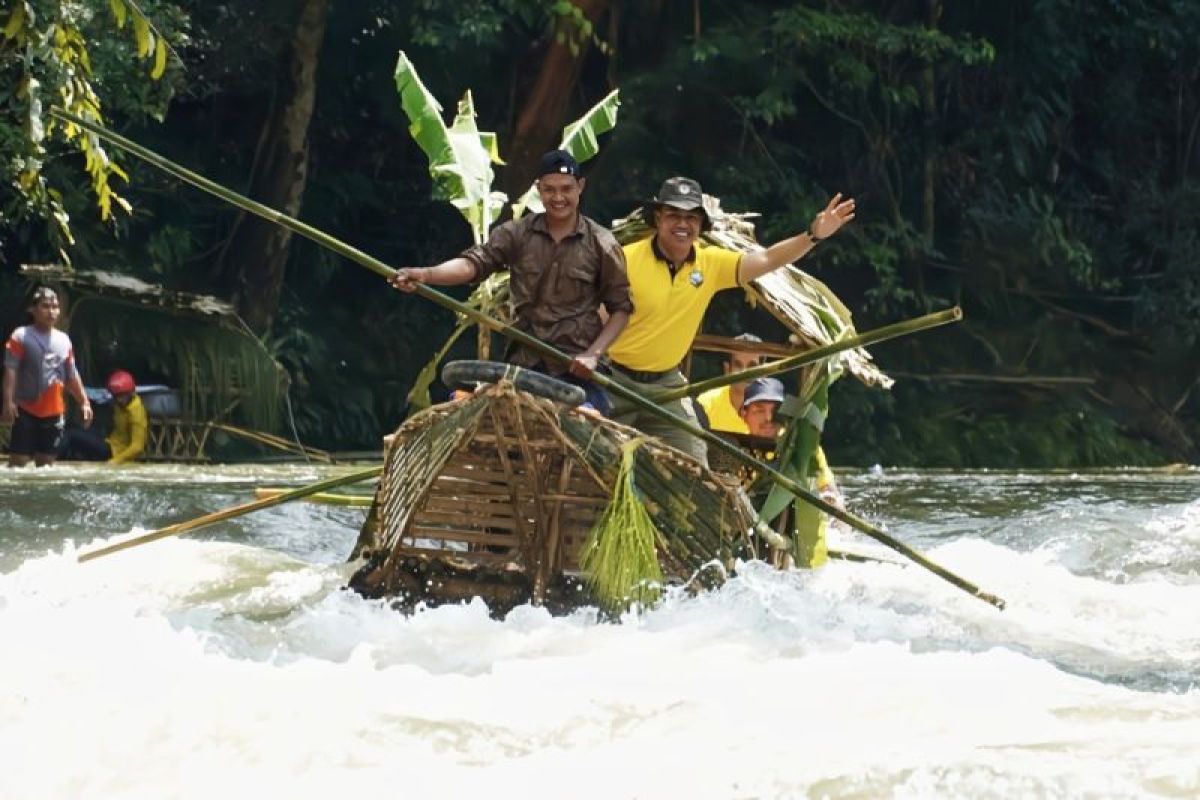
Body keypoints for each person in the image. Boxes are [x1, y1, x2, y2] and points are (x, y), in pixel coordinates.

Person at [604, 176, 855, 463]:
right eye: (673, 215)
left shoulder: (710, 264)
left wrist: (814, 235)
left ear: (700, 225)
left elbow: (769, 260)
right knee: (592, 449)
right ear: (658, 218)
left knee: (694, 460)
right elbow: (595, 317)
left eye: (690, 217)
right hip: (615, 379)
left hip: (666, 385)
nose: (682, 224)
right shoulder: (624, 259)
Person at [389, 149, 632, 414]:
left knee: (584, 416)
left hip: (574, 371)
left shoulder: (602, 244)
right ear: (538, 189)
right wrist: (427, 275)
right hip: (524, 366)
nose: (558, 197)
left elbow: (621, 308)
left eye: (566, 189)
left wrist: (593, 354)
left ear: (580, 187)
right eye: (549, 190)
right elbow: (474, 264)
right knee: (471, 409)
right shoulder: (516, 233)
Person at [2, 287, 93, 467]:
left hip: (54, 413)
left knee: (46, 467)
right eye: (45, 306)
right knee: (18, 464)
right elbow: (10, 370)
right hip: (25, 410)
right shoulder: (20, 336)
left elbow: (71, 374)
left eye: (55, 307)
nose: (51, 311)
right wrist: (8, 402)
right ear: (32, 310)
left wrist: (84, 402)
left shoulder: (64, 340)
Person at [59, 369, 148, 463]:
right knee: (71, 426)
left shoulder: (136, 413)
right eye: (116, 396)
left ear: (131, 393)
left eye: (122, 396)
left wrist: (115, 461)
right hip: (109, 441)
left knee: (72, 435)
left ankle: (54, 459)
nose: (119, 400)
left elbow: (138, 447)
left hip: (114, 452)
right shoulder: (119, 405)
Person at [697, 333, 769, 436]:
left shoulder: (771, 414)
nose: (744, 372)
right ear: (727, 370)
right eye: (738, 365)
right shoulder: (706, 405)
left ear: (764, 373)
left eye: (752, 366)